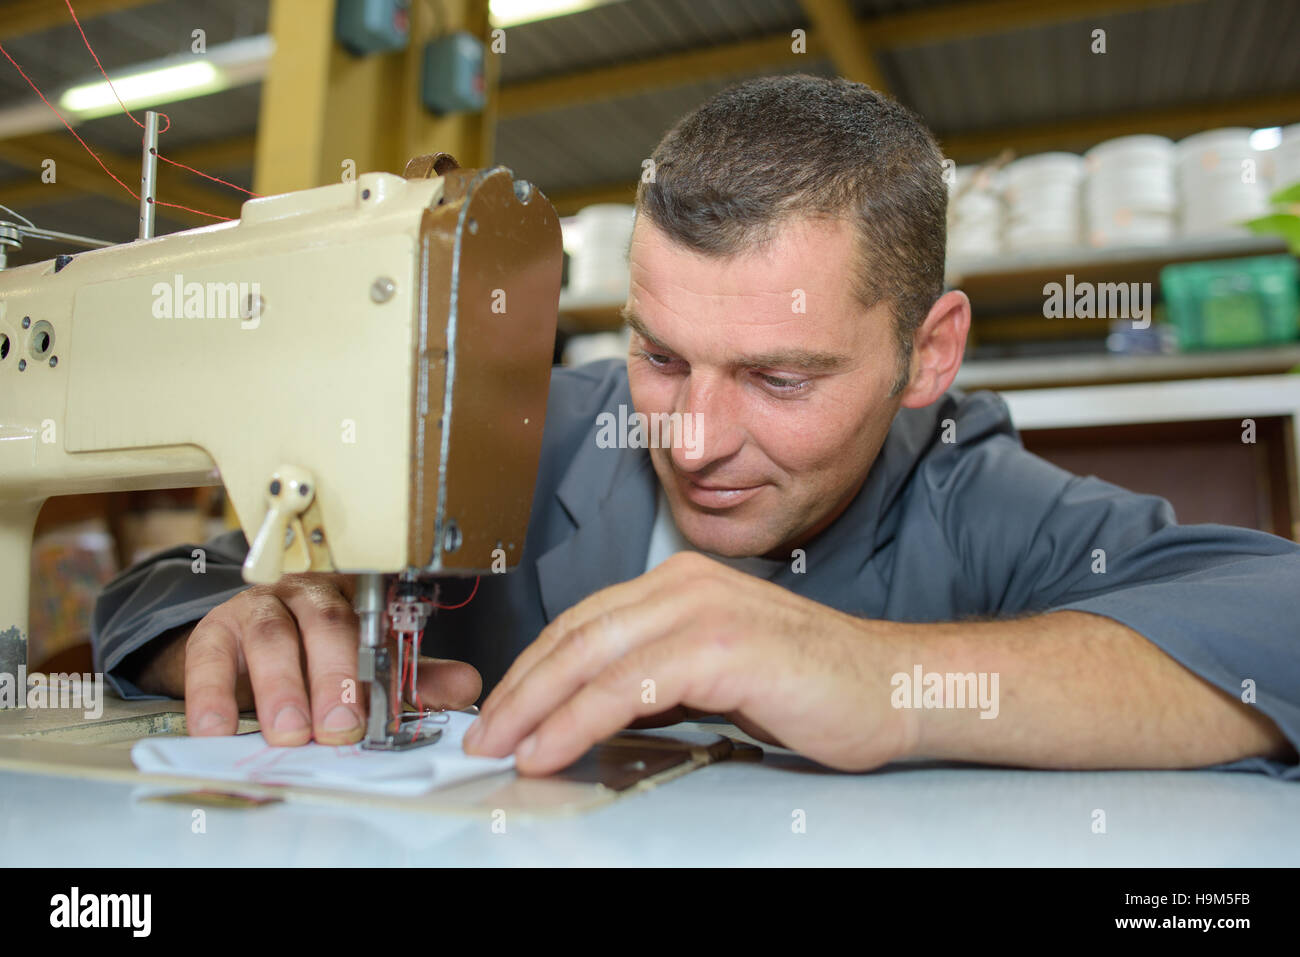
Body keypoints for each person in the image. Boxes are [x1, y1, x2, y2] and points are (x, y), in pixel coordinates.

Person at [92, 75, 1300, 780]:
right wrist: (233, 625)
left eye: (780, 379)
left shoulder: (968, 497)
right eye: (662, 356)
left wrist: (893, 681)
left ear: (927, 354)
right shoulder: (518, 444)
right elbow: (164, 586)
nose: (695, 438)